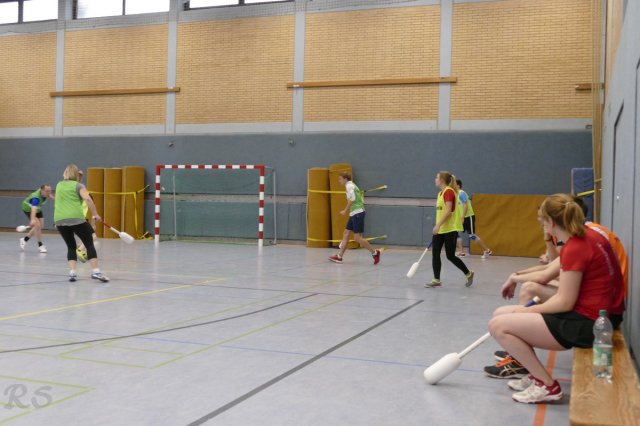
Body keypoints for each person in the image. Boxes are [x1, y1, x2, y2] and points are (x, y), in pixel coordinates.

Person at [487, 193, 624, 404]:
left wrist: (527, 311)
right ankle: (534, 374)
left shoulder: (576, 247)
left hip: (590, 324)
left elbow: (564, 302)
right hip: (596, 314)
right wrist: (517, 282)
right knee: (500, 313)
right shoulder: (586, 236)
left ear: (551, 222)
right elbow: (549, 277)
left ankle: (547, 386)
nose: (541, 224)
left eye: (542, 220)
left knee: (498, 326)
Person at [54, 164, 109, 282]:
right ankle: (96, 272)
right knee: (89, 243)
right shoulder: (79, 185)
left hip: (59, 219)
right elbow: (88, 199)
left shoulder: (59, 185)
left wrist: (78, 178)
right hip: (76, 218)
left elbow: (70, 187)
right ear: (77, 174)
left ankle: (72, 273)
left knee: (71, 246)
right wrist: (95, 214)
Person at [425, 171, 474, 288]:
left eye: (437, 177)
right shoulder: (440, 193)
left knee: (450, 256)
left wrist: (437, 225)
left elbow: (448, 212)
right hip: (441, 229)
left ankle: (468, 273)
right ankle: (436, 279)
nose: (435, 179)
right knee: (435, 253)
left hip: (450, 229)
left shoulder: (449, 192)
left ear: (442, 180)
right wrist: (438, 226)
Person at [328, 171, 381, 265]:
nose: (339, 181)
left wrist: (345, 210)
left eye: (340, 179)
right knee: (346, 233)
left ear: (345, 179)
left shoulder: (349, 186)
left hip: (358, 213)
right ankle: (339, 257)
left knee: (357, 238)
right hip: (354, 213)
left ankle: (375, 253)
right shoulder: (350, 185)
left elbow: (352, 199)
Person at [454, 179, 492, 258]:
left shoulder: (461, 193)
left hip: (468, 217)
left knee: (472, 236)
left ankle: (486, 250)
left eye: (454, 184)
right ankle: (461, 252)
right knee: (455, 233)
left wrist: (462, 217)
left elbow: (465, 205)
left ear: (458, 185)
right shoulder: (456, 194)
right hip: (461, 217)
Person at [20, 184, 54, 253]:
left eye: (50, 191)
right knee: (37, 225)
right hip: (29, 209)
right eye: (47, 191)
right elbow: (33, 209)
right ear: (42, 190)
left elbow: (50, 195)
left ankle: (24, 240)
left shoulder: (45, 193)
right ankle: (40, 245)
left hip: (38, 208)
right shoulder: (35, 198)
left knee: (40, 226)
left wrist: (55, 198)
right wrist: (32, 219)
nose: (49, 193)